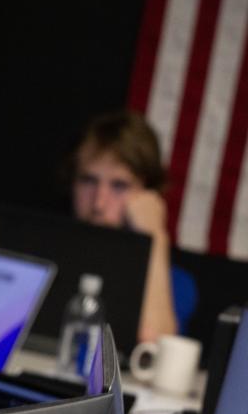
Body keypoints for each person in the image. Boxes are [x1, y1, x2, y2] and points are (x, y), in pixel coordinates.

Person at [70, 109, 191, 341]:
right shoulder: (40, 259)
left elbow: (153, 345)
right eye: (88, 181)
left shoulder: (175, 282)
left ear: (148, 195)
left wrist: (154, 237)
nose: (98, 203)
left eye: (119, 186)